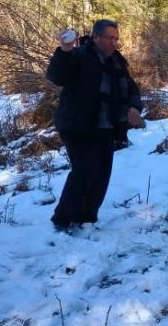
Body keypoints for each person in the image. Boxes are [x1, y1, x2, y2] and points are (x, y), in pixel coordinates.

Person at [46, 19, 144, 231]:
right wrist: (63, 51)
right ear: (95, 37)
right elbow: (56, 76)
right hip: (77, 125)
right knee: (83, 170)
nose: (114, 43)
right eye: (109, 38)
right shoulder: (79, 56)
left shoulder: (117, 62)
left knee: (101, 173)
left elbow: (132, 89)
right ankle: (62, 220)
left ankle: (87, 218)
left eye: (116, 38)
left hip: (105, 127)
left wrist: (134, 107)